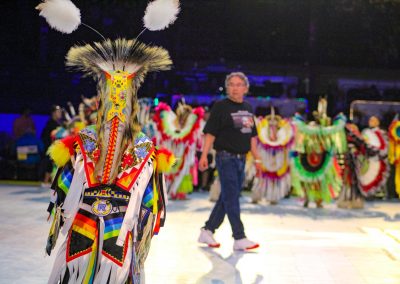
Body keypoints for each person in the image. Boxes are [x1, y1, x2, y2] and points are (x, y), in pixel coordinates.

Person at [198, 72, 261, 251]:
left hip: (242, 159)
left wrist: (257, 158)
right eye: (231, 84)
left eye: (239, 84)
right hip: (225, 158)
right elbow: (210, 133)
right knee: (232, 196)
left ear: (245, 88)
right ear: (227, 87)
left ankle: (207, 230)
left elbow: (252, 136)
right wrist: (204, 156)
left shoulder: (248, 107)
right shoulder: (220, 107)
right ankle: (239, 237)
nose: (235, 87)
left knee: (227, 197)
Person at [40, 105, 62, 185]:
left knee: (55, 164)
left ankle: (52, 181)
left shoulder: (58, 123)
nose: (60, 113)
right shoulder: (50, 124)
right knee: (50, 163)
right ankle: (46, 181)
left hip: (57, 146)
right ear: (53, 113)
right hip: (51, 147)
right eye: (58, 112)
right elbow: (45, 136)